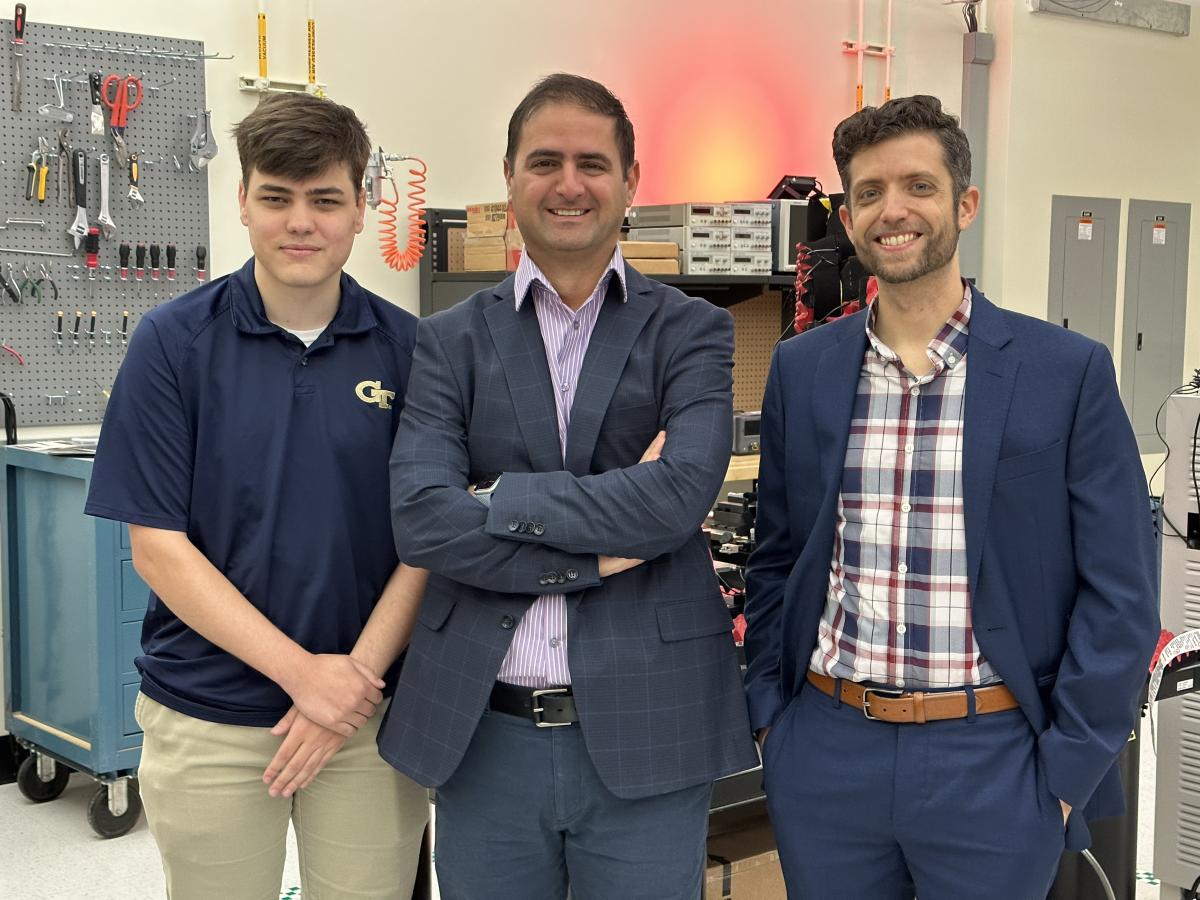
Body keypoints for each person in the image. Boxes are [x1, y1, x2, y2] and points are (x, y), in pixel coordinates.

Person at [743, 94, 1160, 900]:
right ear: (849, 215)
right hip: (828, 753)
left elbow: (1121, 592)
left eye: (918, 187)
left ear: (964, 204)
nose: (892, 210)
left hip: (996, 761)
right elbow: (779, 557)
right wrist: (774, 722)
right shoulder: (805, 369)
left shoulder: (1063, 372)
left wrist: (1066, 768)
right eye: (869, 193)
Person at [375, 72, 757, 900]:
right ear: (509, 178)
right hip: (484, 732)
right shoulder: (447, 342)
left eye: (592, 162)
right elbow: (421, 523)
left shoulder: (693, 330)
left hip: (652, 727)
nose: (569, 183)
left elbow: (678, 498)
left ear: (631, 182)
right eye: (544, 161)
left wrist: (493, 499)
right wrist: (592, 555)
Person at [85, 92, 429, 899]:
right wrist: (303, 676)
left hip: (368, 715)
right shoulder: (171, 344)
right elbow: (158, 548)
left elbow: (431, 540)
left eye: (325, 199)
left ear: (360, 207)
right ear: (242, 202)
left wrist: (346, 683)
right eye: (276, 197)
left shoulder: (414, 351)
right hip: (208, 712)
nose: (299, 222)